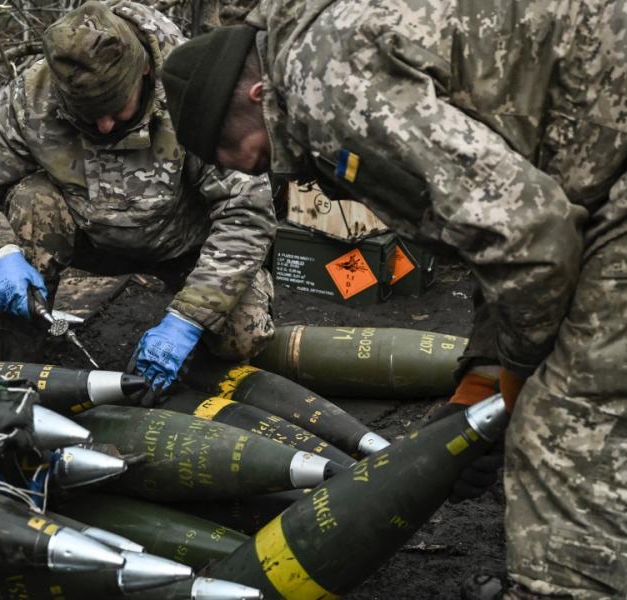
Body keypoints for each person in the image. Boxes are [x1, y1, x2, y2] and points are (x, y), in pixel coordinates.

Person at [159, 1, 627, 598]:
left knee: (565, 422)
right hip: (599, 156)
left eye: (227, 147)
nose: (242, 167)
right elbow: (489, 226)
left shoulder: (324, 89)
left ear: (255, 95)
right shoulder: (321, 51)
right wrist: (484, 373)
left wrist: (523, 372)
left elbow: (527, 237)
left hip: (611, 167)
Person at [0, 1, 276, 392]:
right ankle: (16, 368)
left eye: (115, 107)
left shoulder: (193, 90)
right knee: (34, 199)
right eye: (87, 113)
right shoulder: (32, 96)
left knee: (242, 336)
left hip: (186, 245)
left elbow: (246, 212)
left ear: (144, 70)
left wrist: (188, 319)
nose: (104, 125)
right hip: (88, 236)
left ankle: (187, 370)